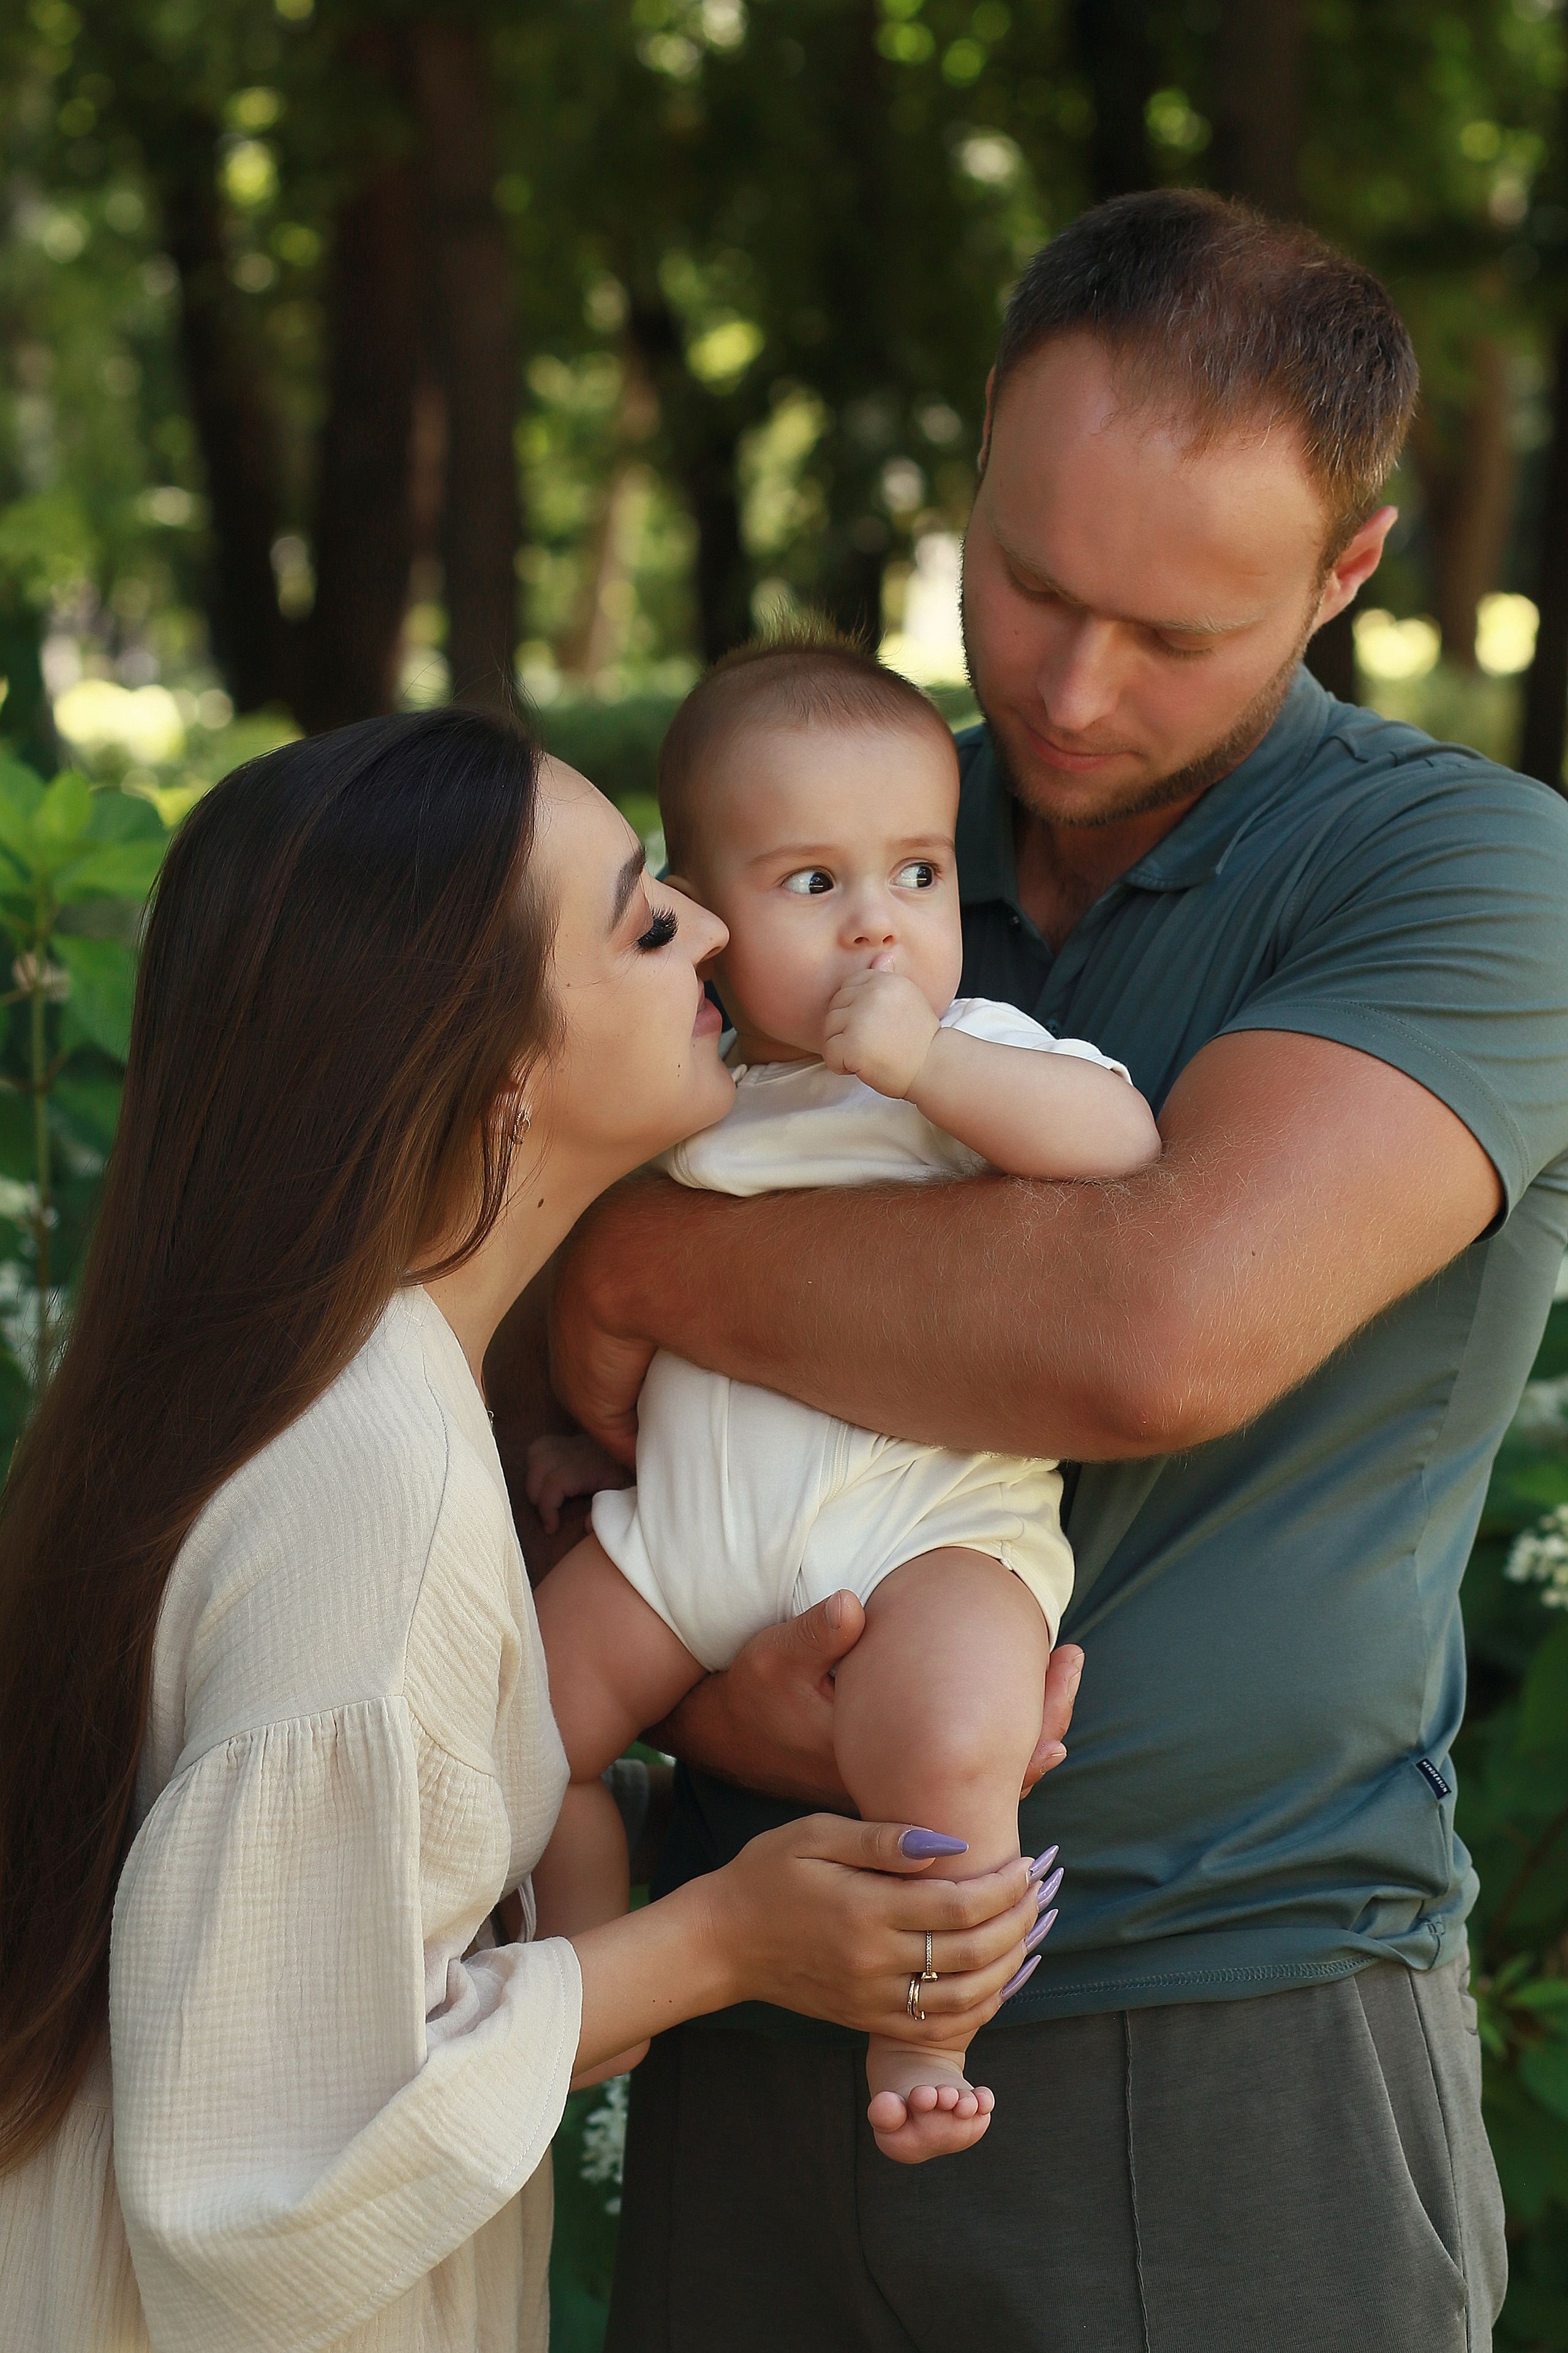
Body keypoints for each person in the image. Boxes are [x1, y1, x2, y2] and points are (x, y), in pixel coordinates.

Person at [494, 194, 1568, 2349]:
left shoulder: (1465, 872)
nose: (1071, 691)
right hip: (749, 1981)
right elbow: (508, 1357)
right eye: (1032, 583)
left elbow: (1156, 1326)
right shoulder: (825, 827)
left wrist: (644, 1271)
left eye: (1175, 632)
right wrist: (693, 1675)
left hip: (1229, 2021)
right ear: (981, 454)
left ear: (1350, 569)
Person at [0, 709, 1045, 2353]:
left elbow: (300, 1915)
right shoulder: (374, 1494)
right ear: (498, 1074)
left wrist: (720, 1751)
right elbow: (263, 2182)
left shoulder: (317, 1390)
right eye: (643, 921)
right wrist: (722, 1938)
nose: (711, 926)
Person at [524, 635, 1158, 2161]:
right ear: (701, 917)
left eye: (917, 875)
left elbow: (1118, 1140)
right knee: (521, 1722)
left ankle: (922, 2033)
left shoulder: (970, 1056)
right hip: (687, 1537)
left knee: (951, 1740)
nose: (877, 924)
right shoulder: (691, 1088)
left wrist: (927, 1066)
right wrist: (587, 1437)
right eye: (812, 883)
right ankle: (581, 1974)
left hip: (926, 1527)